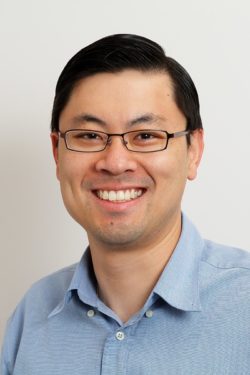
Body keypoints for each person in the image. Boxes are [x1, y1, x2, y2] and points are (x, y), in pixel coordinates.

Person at [1, 34, 250, 375]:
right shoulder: (32, 316)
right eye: (89, 136)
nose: (116, 163)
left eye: (145, 136)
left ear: (194, 151)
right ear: (57, 153)